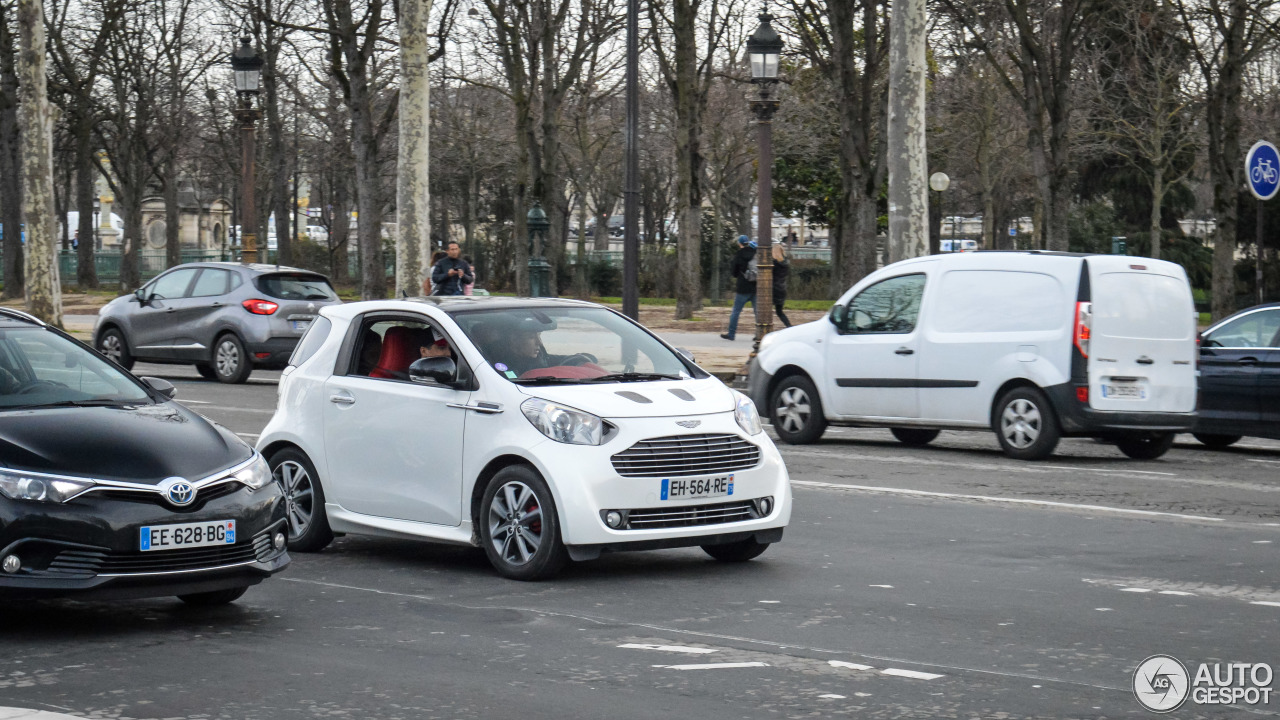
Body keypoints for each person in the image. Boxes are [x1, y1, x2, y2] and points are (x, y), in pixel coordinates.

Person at [721, 235, 758, 341]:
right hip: (755, 286)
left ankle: (731, 334)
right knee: (757, 312)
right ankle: (759, 334)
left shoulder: (739, 254)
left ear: (739, 243)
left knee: (736, 311)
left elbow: (734, 272)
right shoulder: (755, 253)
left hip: (742, 287)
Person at [772, 241, 792, 328]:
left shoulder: (774, 264)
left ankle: (762, 331)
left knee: (763, 310)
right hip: (782, 289)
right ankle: (789, 326)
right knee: (779, 312)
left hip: (774, 289)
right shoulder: (785, 264)